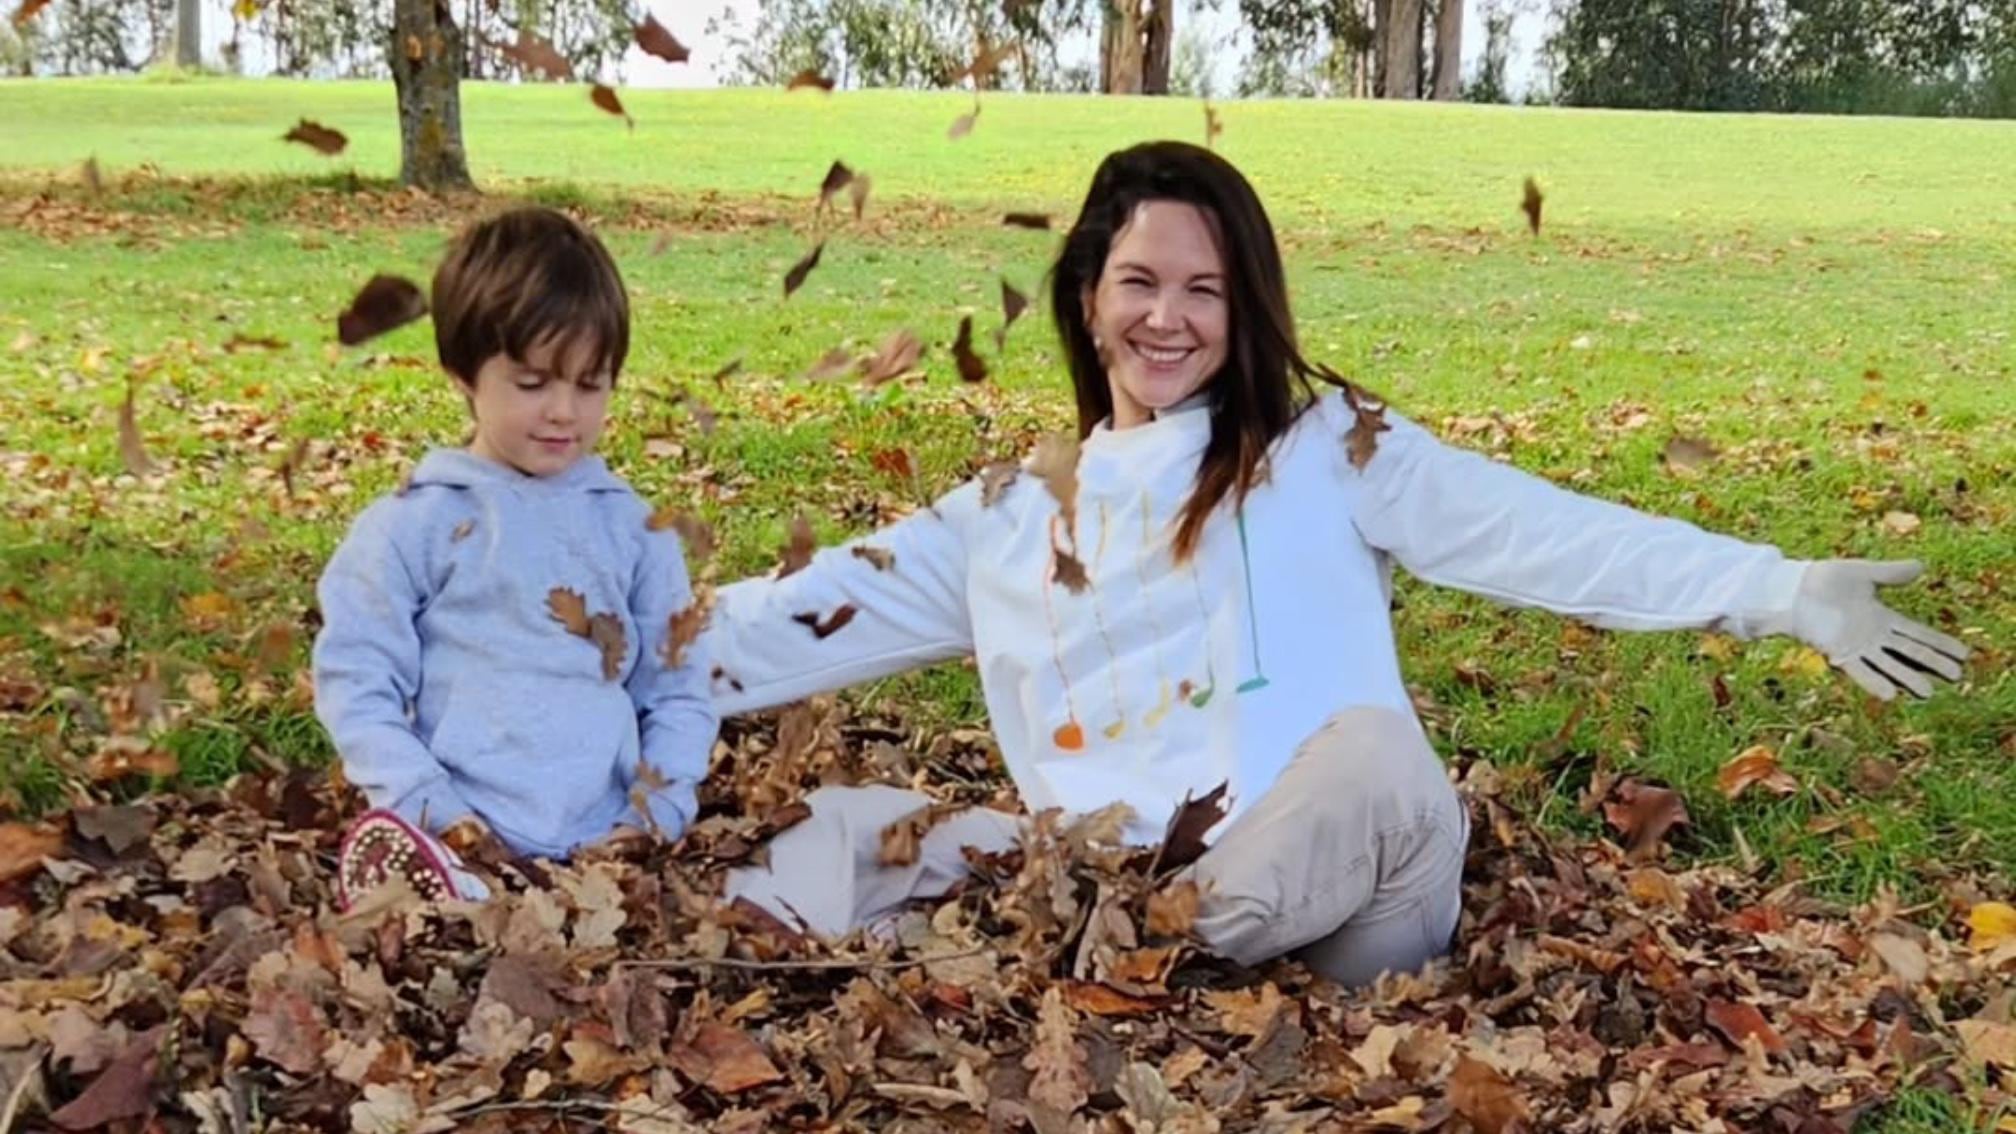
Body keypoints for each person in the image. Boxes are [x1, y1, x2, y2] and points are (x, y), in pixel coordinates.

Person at [698, 142, 1970, 986]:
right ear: (1086, 295)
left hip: (1354, 896)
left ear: (1243, 307)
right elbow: (788, 622)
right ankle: (1127, 974)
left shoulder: (1323, 448)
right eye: (1137, 281)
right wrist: (546, 626)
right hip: (1116, 885)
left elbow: (1538, 529)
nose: (1167, 317)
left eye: (1204, 289)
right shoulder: (1007, 513)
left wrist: (1779, 586)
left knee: (1375, 756)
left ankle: (1136, 976)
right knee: (849, 832)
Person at [312, 207, 716, 908]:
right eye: (533, 384)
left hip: (601, 840)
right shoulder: (416, 524)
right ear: (462, 374)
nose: (564, 411)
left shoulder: (635, 529)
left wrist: (657, 810)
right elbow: (357, 676)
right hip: (458, 828)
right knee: (455, 926)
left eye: (591, 385)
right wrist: (426, 803)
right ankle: (436, 891)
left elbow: (677, 686)